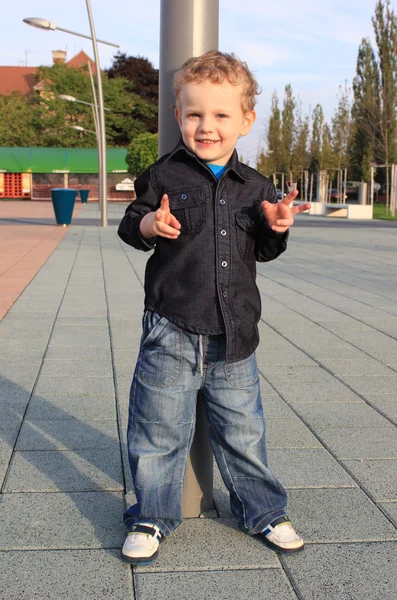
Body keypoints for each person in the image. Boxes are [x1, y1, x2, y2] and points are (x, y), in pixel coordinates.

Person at [117, 50, 311, 565]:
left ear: (245, 121)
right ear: (178, 116)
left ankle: (265, 511)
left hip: (235, 334)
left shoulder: (257, 188)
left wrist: (276, 225)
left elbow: (265, 253)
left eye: (221, 115)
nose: (207, 126)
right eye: (195, 114)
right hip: (171, 327)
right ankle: (151, 514)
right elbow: (130, 224)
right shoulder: (163, 176)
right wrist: (148, 225)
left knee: (245, 432)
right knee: (157, 430)